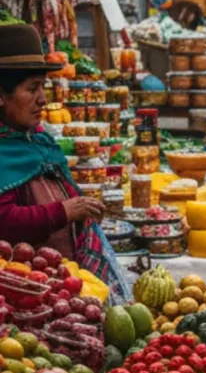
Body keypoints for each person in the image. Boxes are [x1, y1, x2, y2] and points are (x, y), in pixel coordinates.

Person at [0, 24, 129, 301]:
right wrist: (64, 211)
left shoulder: (37, 139)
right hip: (23, 293)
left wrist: (83, 207)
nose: (43, 99)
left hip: (59, 283)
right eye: (32, 89)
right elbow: (4, 220)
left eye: (43, 88)